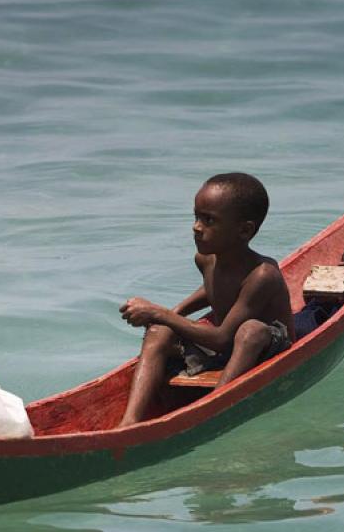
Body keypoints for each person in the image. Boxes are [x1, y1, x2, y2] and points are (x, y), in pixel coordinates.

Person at [117, 173, 295, 427]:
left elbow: (222, 339)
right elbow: (212, 288)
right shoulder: (206, 259)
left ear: (244, 230)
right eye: (196, 216)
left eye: (209, 220)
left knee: (250, 330)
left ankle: (212, 409)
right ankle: (130, 422)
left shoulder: (263, 275)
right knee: (159, 331)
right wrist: (176, 312)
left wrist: (159, 312)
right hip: (225, 345)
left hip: (264, 347)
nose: (197, 227)